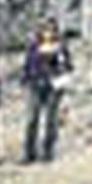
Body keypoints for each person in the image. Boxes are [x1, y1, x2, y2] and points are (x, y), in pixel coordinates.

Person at [21, 18, 72, 164]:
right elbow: (28, 64)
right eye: (44, 29)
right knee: (32, 119)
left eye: (50, 29)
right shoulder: (33, 46)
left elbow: (67, 66)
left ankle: (47, 151)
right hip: (35, 85)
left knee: (50, 120)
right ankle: (29, 152)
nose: (47, 32)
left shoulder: (60, 47)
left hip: (53, 87)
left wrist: (60, 67)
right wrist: (26, 79)